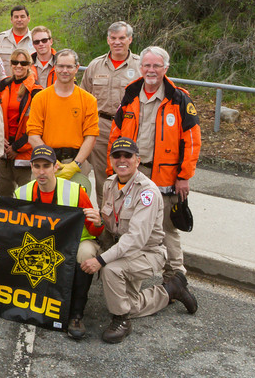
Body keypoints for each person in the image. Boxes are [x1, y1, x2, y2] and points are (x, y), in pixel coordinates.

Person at [80, 138, 197, 344]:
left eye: (128, 156)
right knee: (130, 304)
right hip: (124, 251)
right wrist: (100, 220)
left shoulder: (147, 193)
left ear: (137, 160)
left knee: (111, 269)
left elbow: (135, 239)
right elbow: (113, 223)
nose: (122, 160)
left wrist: (101, 260)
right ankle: (171, 290)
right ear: (111, 159)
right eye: (117, 156)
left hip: (147, 253)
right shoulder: (110, 184)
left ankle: (121, 320)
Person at [108, 46, 201, 281]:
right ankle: (129, 270)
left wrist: (184, 176)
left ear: (165, 68)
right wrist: (113, 168)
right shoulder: (130, 94)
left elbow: (192, 142)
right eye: (147, 65)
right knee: (130, 223)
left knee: (167, 228)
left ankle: (175, 277)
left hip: (166, 176)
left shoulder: (179, 98)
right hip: (131, 172)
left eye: (156, 66)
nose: (151, 70)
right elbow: (115, 134)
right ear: (141, 68)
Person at [13, 145, 103, 339]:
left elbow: (95, 229)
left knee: (86, 254)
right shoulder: (21, 193)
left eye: (46, 166)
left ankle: (76, 314)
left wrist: (98, 222)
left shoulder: (75, 191)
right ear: (31, 167)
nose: (41, 171)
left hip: (75, 243)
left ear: (55, 167)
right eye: (37, 166)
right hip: (40, 246)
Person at [80, 21, 141, 204]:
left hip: (130, 127)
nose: (117, 42)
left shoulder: (140, 66)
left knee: (130, 173)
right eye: (113, 38)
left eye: (122, 38)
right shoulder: (96, 65)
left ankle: (127, 218)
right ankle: (104, 218)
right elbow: (84, 98)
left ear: (130, 39)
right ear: (108, 40)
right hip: (102, 127)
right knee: (102, 177)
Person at [27, 49, 98, 190]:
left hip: (77, 162)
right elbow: (33, 135)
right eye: (60, 66)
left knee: (76, 208)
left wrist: (75, 165)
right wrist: (51, 162)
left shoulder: (88, 100)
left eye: (69, 66)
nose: (64, 70)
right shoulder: (40, 98)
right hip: (46, 163)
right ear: (54, 67)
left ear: (77, 68)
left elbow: (91, 136)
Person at [0, 48, 42, 197]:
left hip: (25, 154)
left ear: (29, 65)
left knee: (27, 198)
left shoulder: (36, 90)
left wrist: (17, 147)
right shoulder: (4, 85)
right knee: (1, 197)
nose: (18, 66)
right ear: (10, 64)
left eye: (23, 63)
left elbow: (38, 126)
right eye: (15, 62)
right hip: (3, 151)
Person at [0, 5, 34, 75]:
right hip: (5, 84)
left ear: (28, 18)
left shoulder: (36, 40)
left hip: (28, 84)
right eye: (16, 17)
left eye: (22, 16)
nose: (19, 20)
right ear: (11, 20)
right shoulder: (0, 39)